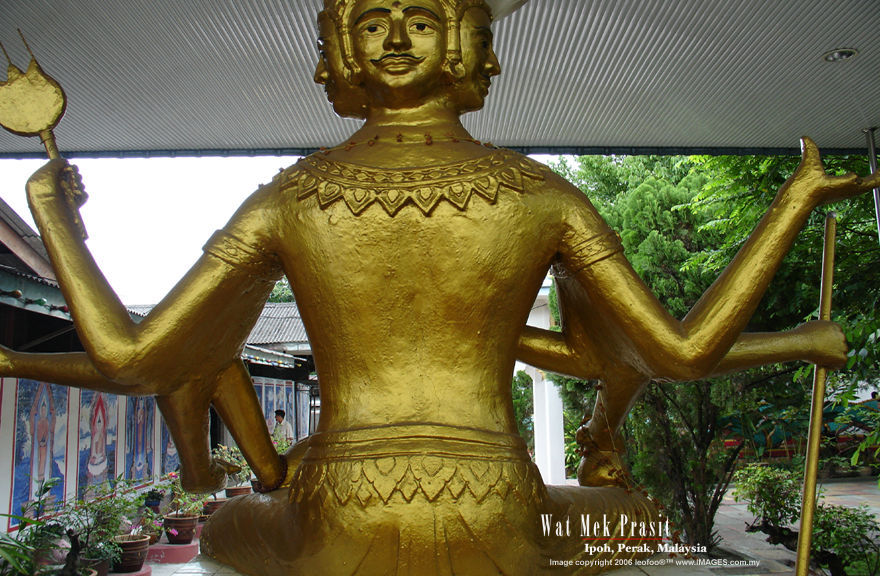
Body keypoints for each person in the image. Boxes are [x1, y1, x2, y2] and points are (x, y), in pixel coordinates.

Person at [2, 0, 879, 573]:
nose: (392, 39)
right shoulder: (539, 193)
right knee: (630, 517)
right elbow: (680, 353)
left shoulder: (290, 198)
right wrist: (791, 204)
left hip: (337, 514)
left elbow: (134, 360)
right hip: (500, 507)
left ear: (461, 37)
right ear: (342, 42)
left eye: (418, 20)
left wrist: (53, 216)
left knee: (228, 524)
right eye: (374, 21)